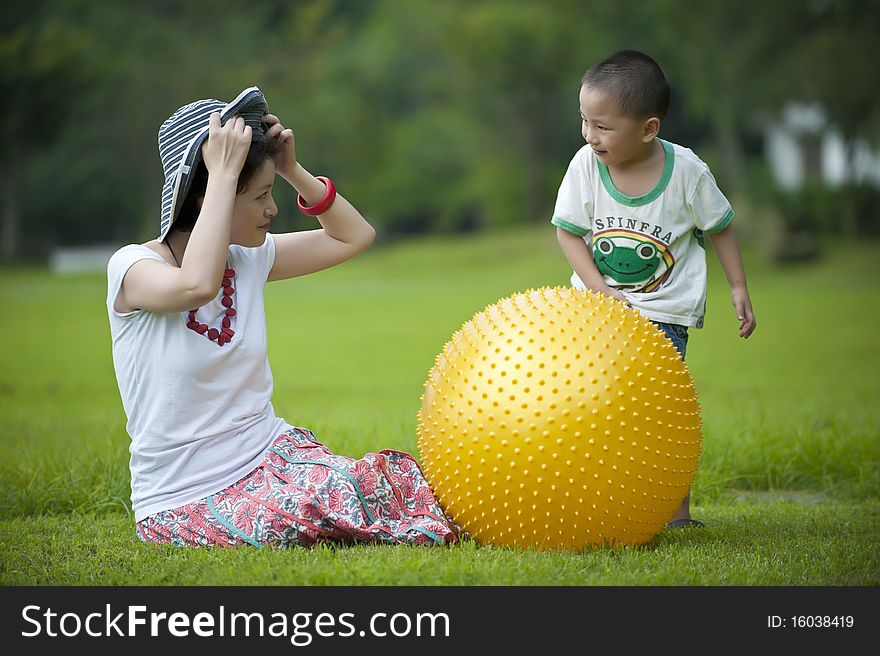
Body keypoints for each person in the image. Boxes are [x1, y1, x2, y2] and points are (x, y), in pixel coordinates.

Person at [107, 86, 457, 547]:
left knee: (368, 484)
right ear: (208, 197)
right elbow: (196, 285)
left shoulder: (248, 259)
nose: (272, 209)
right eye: (261, 196)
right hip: (185, 495)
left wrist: (292, 170)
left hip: (271, 454)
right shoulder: (133, 268)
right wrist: (222, 175)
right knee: (306, 515)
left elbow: (353, 237)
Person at [551, 51, 756, 529]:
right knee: (589, 408)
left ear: (647, 128)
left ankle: (675, 512)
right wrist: (600, 289)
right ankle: (593, 499)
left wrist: (739, 286)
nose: (589, 135)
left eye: (602, 126)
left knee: (659, 415)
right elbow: (567, 232)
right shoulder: (585, 165)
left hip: (663, 313)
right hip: (594, 312)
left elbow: (720, 226)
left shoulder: (687, 172)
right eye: (584, 121)